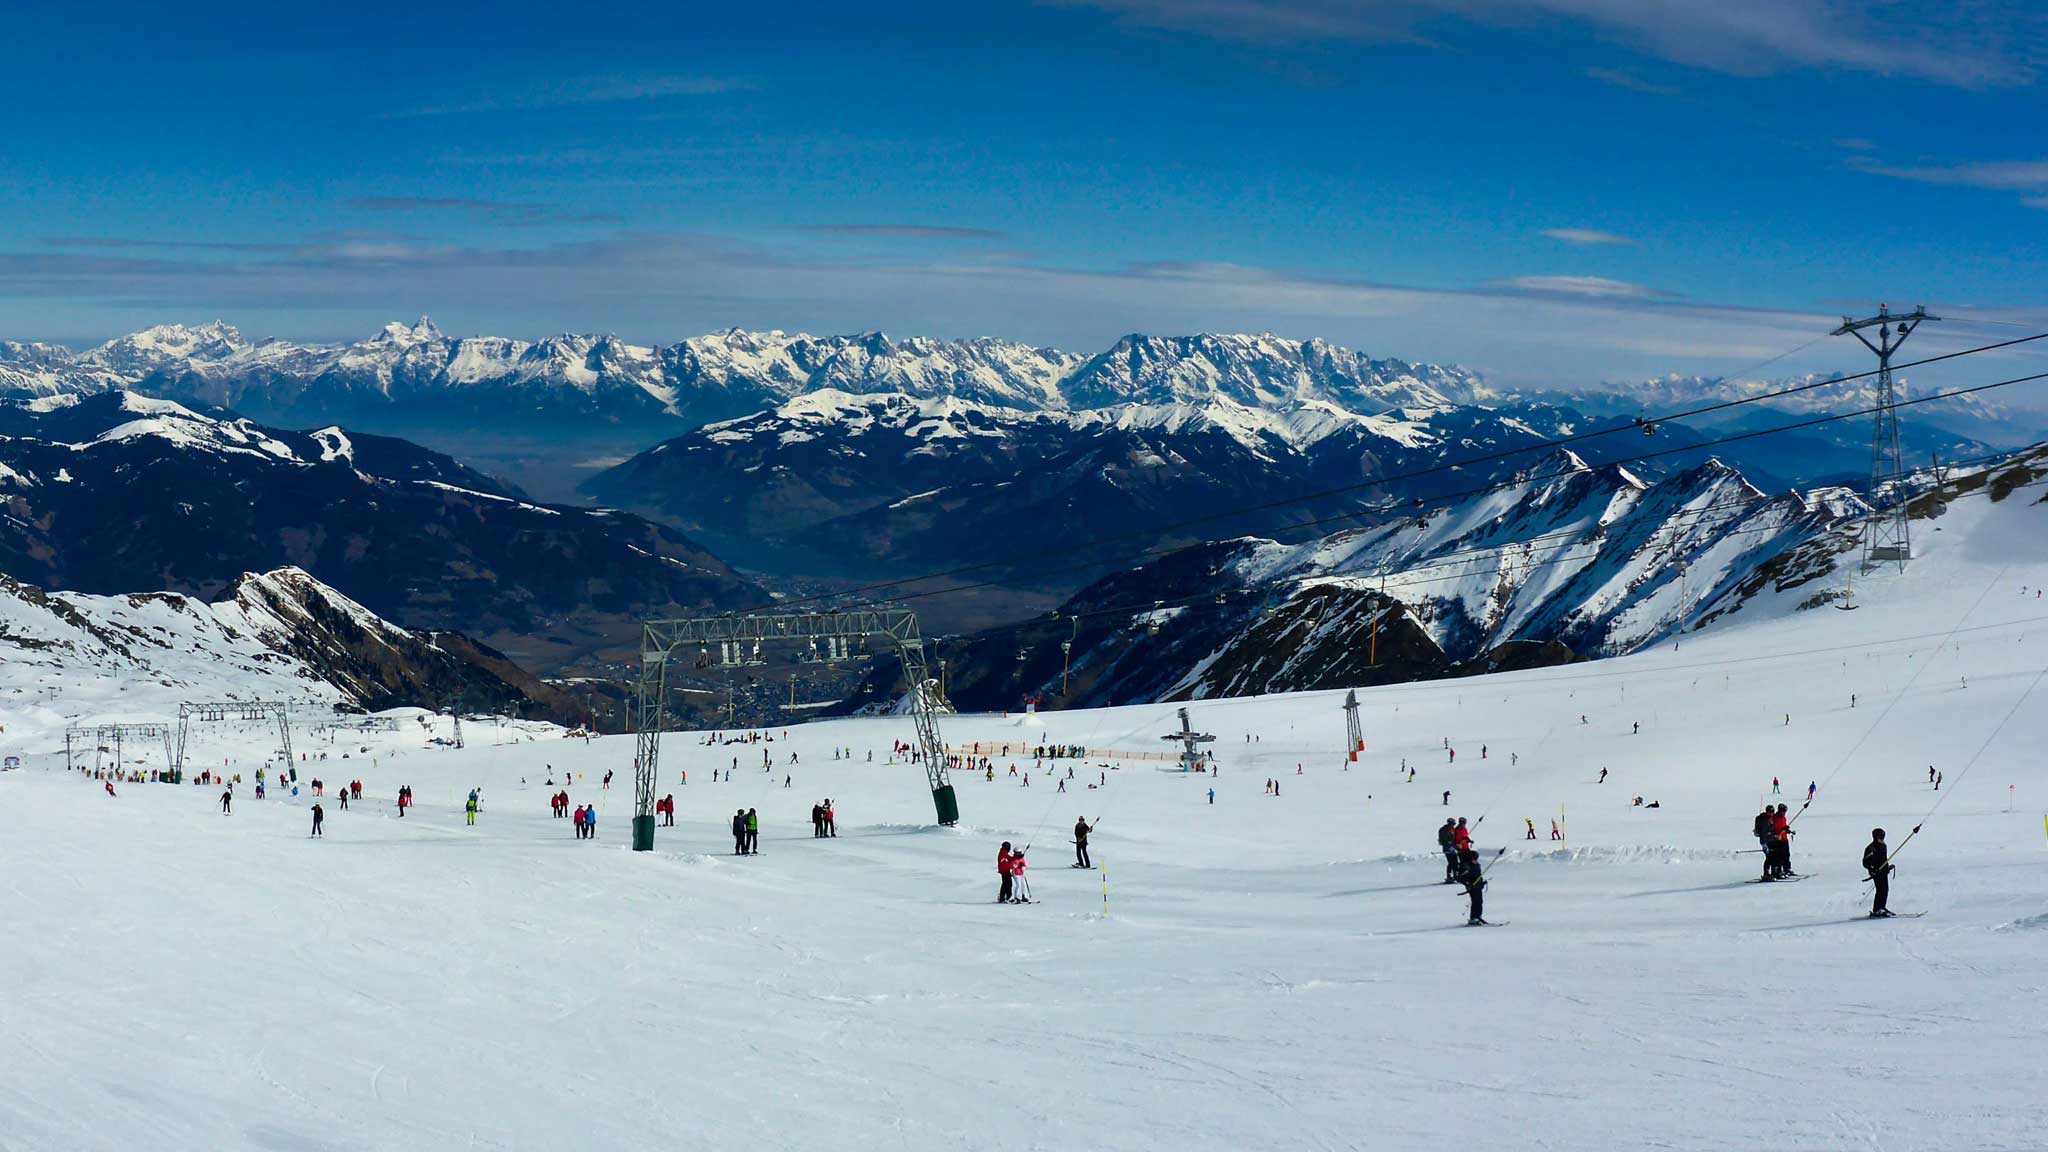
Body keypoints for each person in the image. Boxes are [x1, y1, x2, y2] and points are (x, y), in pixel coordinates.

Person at [1863, 828, 1894, 917]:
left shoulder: (1883, 846)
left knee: (1885, 889)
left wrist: (1887, 867)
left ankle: (1882, 907)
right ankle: (1877, 910)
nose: (1882, 838)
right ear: (1876, 837)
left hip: (1883, 872)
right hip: (1876, 873)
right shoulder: (1870, 848)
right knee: (1880, 890)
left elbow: (1884, 859)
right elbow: (1865, 862)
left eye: (1883, 836)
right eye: (1881, 836)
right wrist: (1872, 869)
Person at [1456, 847, 1488, 925]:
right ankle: (1473, 918)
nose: (1476, 860)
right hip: (1472, 887)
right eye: (1474, 859)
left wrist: (1482, 883)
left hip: (1478, 886)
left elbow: (1478, 876)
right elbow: (1459, 878)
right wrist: (1468, 884)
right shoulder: (1466, 866)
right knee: (1475, 901)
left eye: (1476, 859)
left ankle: (1478, 916)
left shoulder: (1477, 865)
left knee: (1480, 901)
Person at [1753, 807, 1776, 879]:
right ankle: (1766, 873)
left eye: (1772, 812)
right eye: (1770, 812)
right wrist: (1764, 844)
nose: (1772, 813)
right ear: (1767, 812)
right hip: (1765, 842)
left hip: (1770, 841)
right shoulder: (1764, 820)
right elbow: (1763, 833)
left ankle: (1770, 872)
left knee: (1771, 857)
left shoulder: (1770, 819)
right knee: (1769, 857)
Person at [1438, 818, 1458, 882]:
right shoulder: (1443, 830)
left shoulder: (1452, 829)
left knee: (1455, 862)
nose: (1453, 825)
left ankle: (1455, 875)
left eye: (1454, 824)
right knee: (1451, 862)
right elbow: (1442, 840)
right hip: (1447, 848)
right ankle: (1449, 876)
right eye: (1452, 824)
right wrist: (1448, 843)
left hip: (1452, 848)